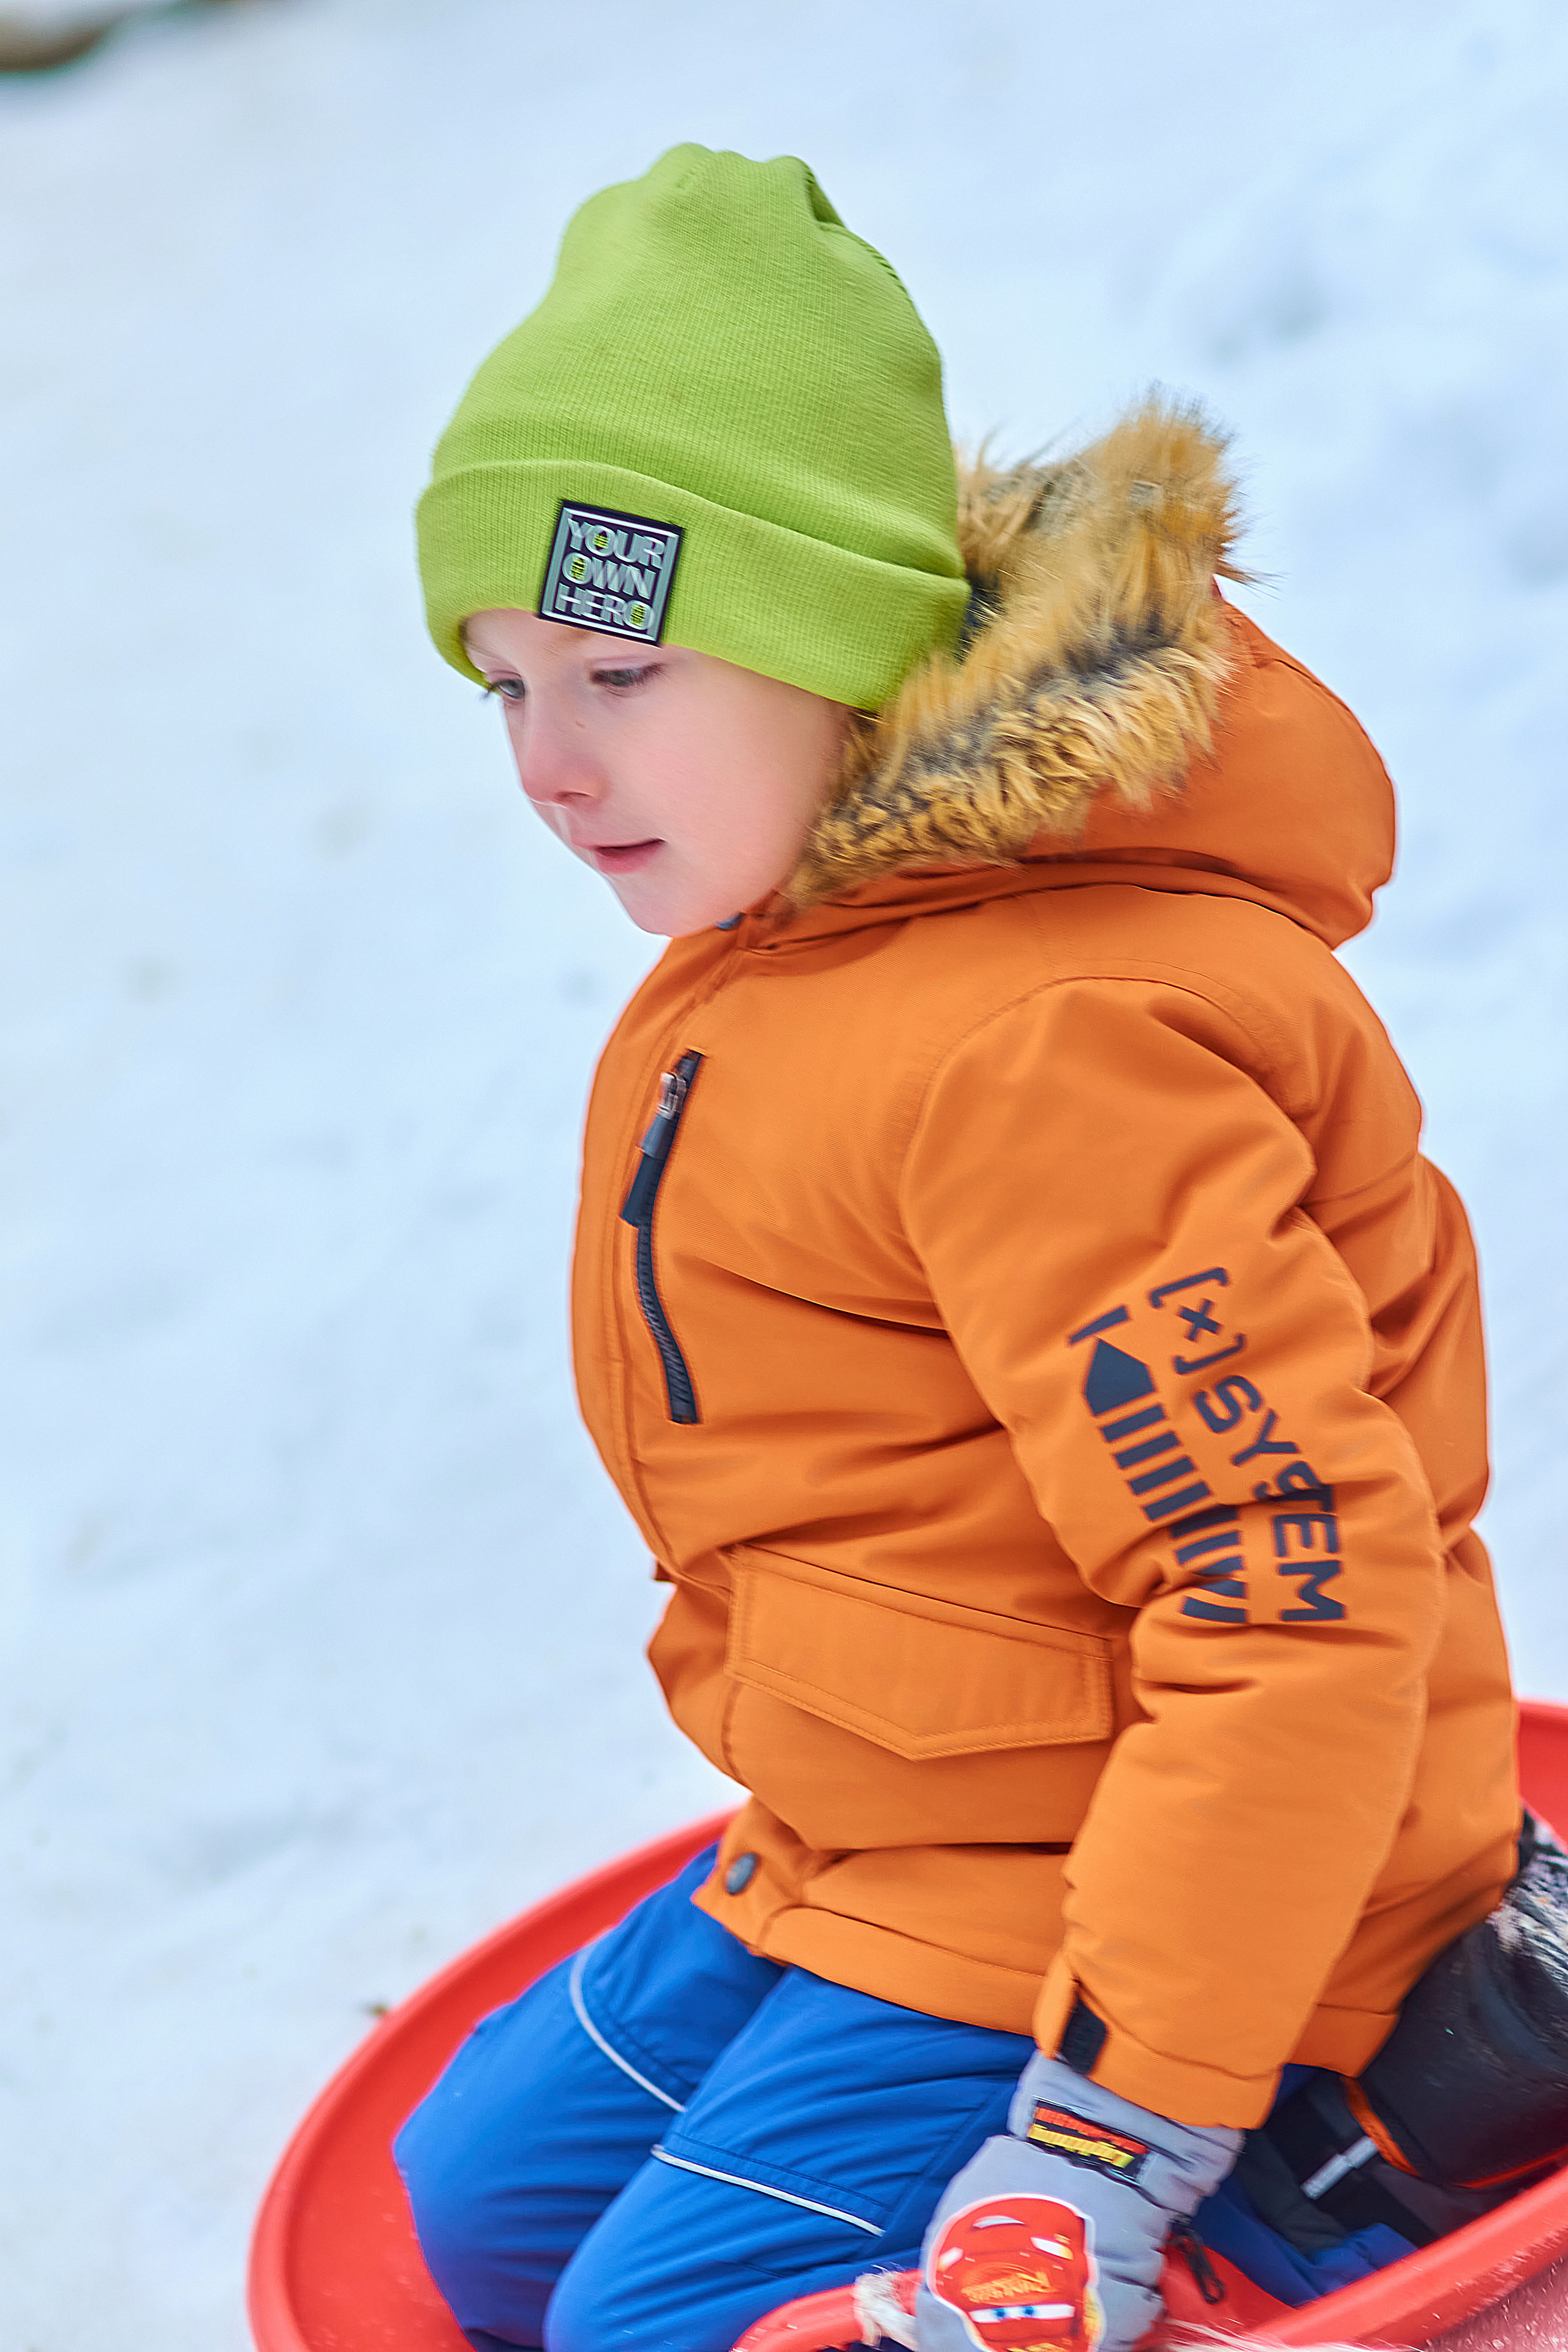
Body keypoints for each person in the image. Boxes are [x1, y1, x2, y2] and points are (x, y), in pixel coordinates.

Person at [393, 144, 1528, 2352]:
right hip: (902, 1833)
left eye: (620, 667)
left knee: (647, 2334)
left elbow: (1285, 1608)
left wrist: (1110, 2138)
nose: (547, 761)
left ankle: (1309, 2213)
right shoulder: (802, 934)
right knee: (478, 2222)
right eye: (500, 681)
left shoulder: (1049, 1046)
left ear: (843, 653)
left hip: (1195, 1888)